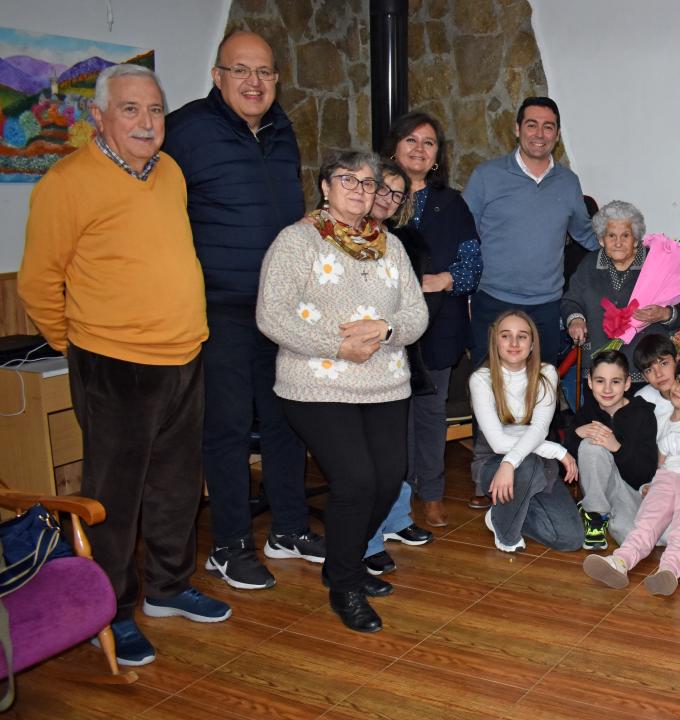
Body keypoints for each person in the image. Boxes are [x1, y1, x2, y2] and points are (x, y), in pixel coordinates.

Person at [19, 64, 229, 666]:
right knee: (114, 498)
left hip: (185, 353)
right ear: (99, 118)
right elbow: (38, 283)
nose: (146, 122)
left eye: (155, 110)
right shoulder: (66, 182)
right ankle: (108, 610)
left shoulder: (169, 173)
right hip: (115, 365)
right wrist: (74, 345)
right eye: (131, 110)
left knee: (176, 487)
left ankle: (167, 588)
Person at [163, 30, 320, 591]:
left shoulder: (282, 131)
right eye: (241, 71)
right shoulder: (185, 131)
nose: (255, 83)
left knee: (286, 421)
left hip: (280, 308)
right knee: (227, 430)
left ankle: (290, 529)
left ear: (276, 79)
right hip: (221, 309)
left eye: (265, 72)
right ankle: (229, 546)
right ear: (218, 76)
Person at [256, 150, 428, 633]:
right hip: (316, 383)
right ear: (326, 186)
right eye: (347, 179)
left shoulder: (390, 246)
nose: (359, 188)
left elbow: (416, 316)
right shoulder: (297, 241)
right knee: (355, 480)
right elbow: (272, 316)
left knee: (389, 477)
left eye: (369, 182)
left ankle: (341, 560)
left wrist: (386, 329)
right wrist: (338, 344)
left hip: (386, 382)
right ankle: (345, 585)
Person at [381, 111, 482, 526]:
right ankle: (395, 497)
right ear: (394, 147)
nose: (419, 149)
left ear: (437, 156)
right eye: (411, 140)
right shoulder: (376, 198)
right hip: (384, 328)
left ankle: (433, 493)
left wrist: (442, 280)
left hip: (439, 325)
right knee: (389, 414)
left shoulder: (452, 203)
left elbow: (472, 264)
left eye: (429, 143)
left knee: (430, 411)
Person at [463, 96, 598, 366]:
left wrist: (631, 252)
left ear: (557, 135)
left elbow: (586, 234)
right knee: (487, 386)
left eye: (548, 127)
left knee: (541, 390)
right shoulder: (486, 176)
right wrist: (463, 293)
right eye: (532, 125)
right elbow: (464, 236)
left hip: (546, 307)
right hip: (491, 301)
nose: (540, 134)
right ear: (517, 129)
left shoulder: (568, 182)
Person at [352, 161, 437, 577]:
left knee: (392, 451)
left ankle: (395, 520)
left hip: (394, 356)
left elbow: (410, 306)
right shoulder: (340, 237)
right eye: (382, 189)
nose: (387, 200)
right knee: (365, 457)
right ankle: (365, 542)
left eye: (397, 195)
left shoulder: (397, 243)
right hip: (352, 359)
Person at [583, 358, 680, 595]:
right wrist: (650, 483)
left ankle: (669, 570)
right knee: (646, 522)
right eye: (678, 381)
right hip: (666, 479)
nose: (678, 388)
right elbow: (659, 462)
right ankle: (620, 562)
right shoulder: (664, 419)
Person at [470, 311, 583, 553]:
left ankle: (502, 513)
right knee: (526, 465)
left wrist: (527, 457)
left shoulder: (546, 374)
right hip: (495, 463)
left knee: (570, 539)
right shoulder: (481, 379)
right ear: (495, 342)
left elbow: (540, 428)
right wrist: (555, 450)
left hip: (540, 466)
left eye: (522, 336)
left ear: (532, 344)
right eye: (506, 336)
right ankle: (507, 535)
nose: (513, 343)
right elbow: (499, 444)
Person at [563, 200, 680, 382]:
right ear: (602, 239)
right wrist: (576, 319)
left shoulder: (655, 263)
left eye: (625, 235)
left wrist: (664, 313)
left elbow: (679, 314)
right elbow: (570, 301)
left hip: (647, 367)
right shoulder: (589, 264)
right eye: (611, 236)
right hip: (599, 366)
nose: (618, 242)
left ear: (636, 239)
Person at [565, 350, 658, 549]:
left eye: (615, 382)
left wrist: (616, 447)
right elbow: (565, 466)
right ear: (589, 382)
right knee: (592, 444)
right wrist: (576, 434)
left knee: (635, 539)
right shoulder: (586, 413)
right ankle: (596, 515)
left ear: (627, 384)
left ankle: (603, 513)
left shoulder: (644, 414)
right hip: (600, 489)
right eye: (600, 381)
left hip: (630, 490)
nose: (607, 389)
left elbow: (644, 474)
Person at [633, 333, 679, 419]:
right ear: (644, 377)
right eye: (649, 370)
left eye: (664, 363)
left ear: (677, 361)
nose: (658, 374)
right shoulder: (642, 400)